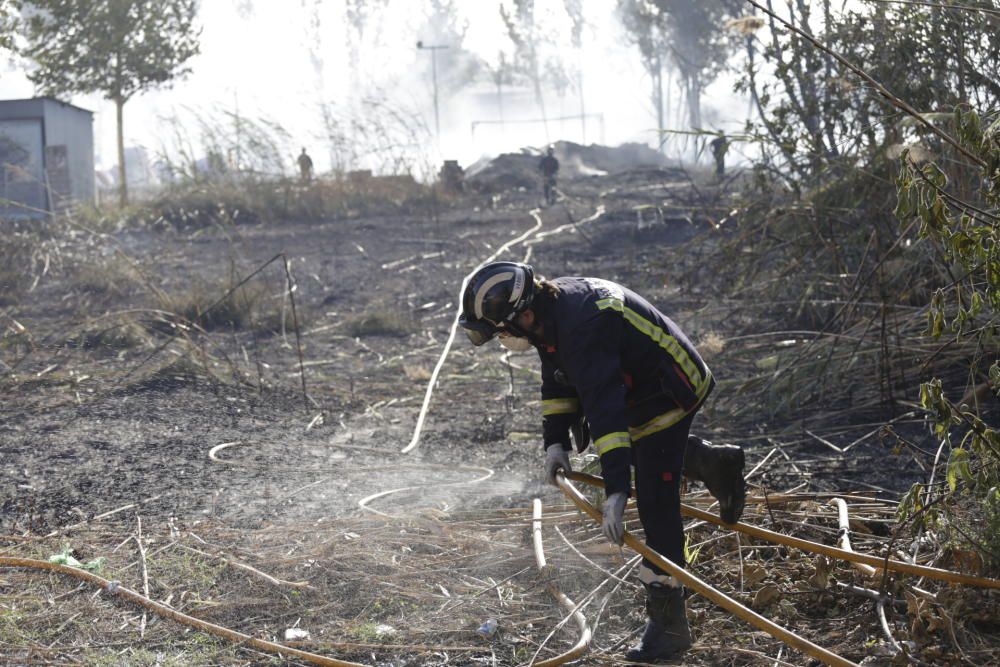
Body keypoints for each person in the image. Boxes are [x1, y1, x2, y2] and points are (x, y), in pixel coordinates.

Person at [459, 261, 746, 663]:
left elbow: (605, 410)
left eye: (502, 330)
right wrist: (555, 442)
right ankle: (715, 464)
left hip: (669, 389)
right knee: (650, 455)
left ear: (523, 314)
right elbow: (557, 377)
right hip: (641, 385)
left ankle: (670, 631)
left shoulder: (580, 328)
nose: (503, 339)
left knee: (655, 501)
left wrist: (616, 492)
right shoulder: (549, 313)